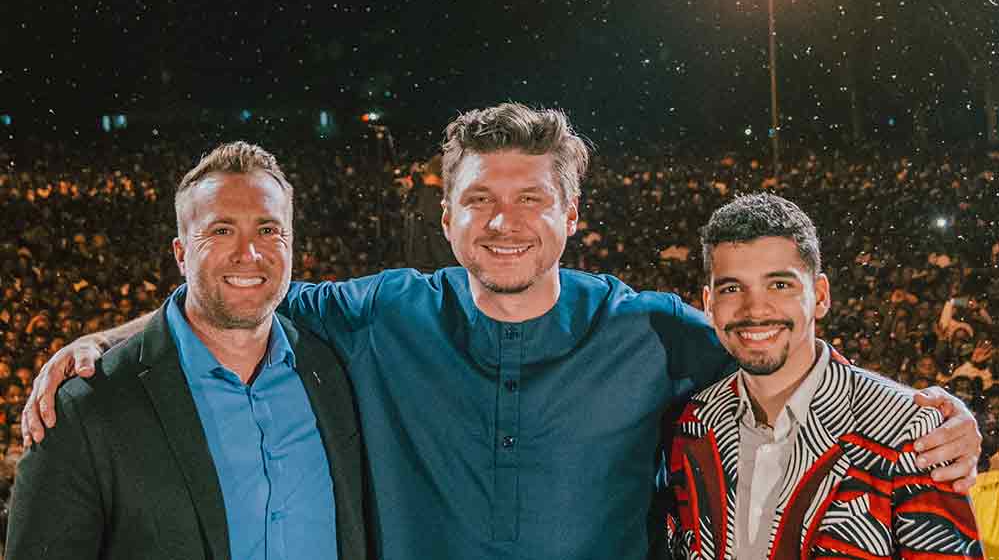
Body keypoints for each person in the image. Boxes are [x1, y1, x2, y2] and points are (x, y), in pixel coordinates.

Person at [24, 104, 982, 560]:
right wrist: (107, 337)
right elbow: (235, 292)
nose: (504, 220)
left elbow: (776, 341)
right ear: (446, 218)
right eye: (479, 199)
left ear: (572, 214)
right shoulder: (379, 313)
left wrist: (933, 413)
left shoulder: (648, 331)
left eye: (532, 198)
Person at [6, 143, 371, 560]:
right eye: (221, 230)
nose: (248, 254)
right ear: (180, 254)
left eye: (268, 230)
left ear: (292, 246)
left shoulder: (335, 372)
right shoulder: (83, 410)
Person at [666, 194, 982, 559]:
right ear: (708, 303)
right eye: (732, 288)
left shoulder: (912, 430)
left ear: (820, 295)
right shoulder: (694, 422)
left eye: (780, 284)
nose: (755, 309)